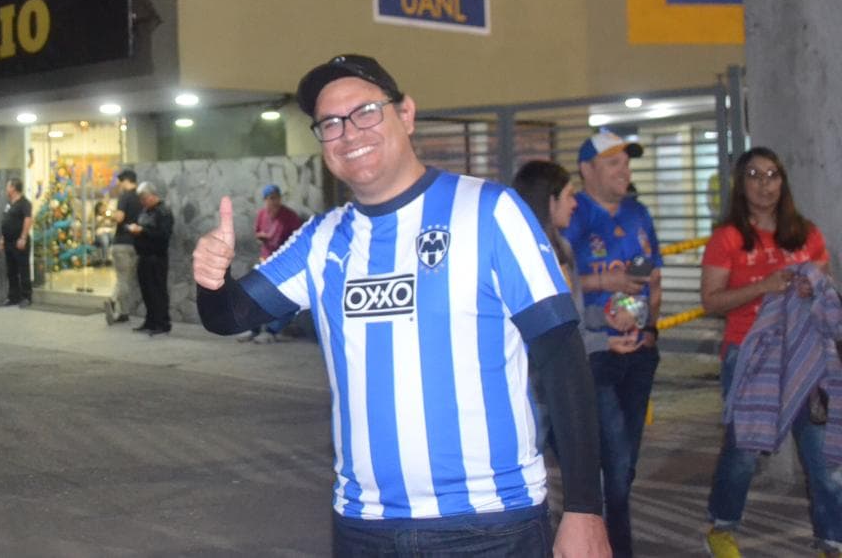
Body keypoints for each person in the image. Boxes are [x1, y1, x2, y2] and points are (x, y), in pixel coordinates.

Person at [193, 54, 609, 557]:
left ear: (406, 115)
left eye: (366, 111)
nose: (349, 132)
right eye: (330, 123)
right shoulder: (321, 241)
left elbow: (562, 356)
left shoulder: (489, 211)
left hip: (490, 524)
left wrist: (585, 508)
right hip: (366, 527)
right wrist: (211, 279)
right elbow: (227, 317)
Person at [699, 147, 841, 558]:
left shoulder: (806, 233)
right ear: (741, 185)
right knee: (744, 452)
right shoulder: (728, 238)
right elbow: (712, 301)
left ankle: (832, 539)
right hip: (749, 356)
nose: (765, 184)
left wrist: (807, 287)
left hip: (806, 358)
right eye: (755, 175)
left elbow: (826, 289)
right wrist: (763, 287)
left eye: (773, 175)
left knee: (825, 456)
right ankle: (721, 526)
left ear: (784, 181)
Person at [563, 131, 663, 558]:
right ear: (587, 171)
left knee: (624, 465)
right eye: (613, 163)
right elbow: (559, 281)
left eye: (626, 162)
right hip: (597, 355)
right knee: (616, 467)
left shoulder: (639, 213)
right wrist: (607, 281)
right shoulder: (573, 216)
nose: (624, 171)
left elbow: (654, 277)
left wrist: (652, 325)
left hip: (639, 353)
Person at [512, 160, 643, 450]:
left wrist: (604, 318)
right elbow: (552, 331)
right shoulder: (529, 257)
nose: (575, 204)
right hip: (539, 386)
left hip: (568, 377)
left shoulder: (562, 249)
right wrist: (604, 342)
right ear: (549, 201)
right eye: (570, 195)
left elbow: (573, 315)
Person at [236, 184, 305, 343]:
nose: (273, 202)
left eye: (275, 198)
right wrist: (262, 237)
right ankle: (253, 329)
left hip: (284, 264)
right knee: (255, 295)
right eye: (269, 198)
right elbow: (257, 232)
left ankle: (272, 331)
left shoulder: (289, 216)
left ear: (280, 199)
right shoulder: (262, 214)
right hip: (266, 261)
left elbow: (299, 239)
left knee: (284, 299)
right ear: (265, 200)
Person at [127, 181, 173, 336]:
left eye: (144, 199)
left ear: (153, 196)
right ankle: (150, 321)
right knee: (146, 291)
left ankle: (162, 323)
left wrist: (143, 231)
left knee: (157, 291)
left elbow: (163, 235)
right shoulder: (145, 211)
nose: (142, 203)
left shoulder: (163, 212)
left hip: (156, 258)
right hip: (144, 256)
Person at [102, 169, 141, 325]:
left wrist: (108, 213)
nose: (120, 185)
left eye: (120, 182)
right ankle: (118, 307)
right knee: (127, 278)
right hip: (137, 243)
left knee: (122, 278)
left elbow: (120, 218)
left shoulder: (124, 197)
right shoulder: (141, 197)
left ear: (126, 181)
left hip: (122, 243)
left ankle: (118, 306)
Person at [0, 178, 34, 308]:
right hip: (8, 242)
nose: (6, 189)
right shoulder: (9, 203)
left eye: (8, 186)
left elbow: (28, 220)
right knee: (11, 270)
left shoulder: (25, 203)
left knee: (23, 269)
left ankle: (26, 297)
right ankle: (13, 297)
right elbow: (5, 221)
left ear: (13, 188)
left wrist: (23, 237)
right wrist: (2, 238)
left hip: (19, 242)